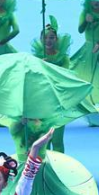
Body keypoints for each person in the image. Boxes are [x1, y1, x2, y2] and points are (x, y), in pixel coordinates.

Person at [31, 16, 71, 153]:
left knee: (57, 140)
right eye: (45, 37)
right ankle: (44, 164)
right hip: (42, 103)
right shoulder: (36, 58)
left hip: (58, 103)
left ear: (56, 39)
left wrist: (48, 67)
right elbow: (33, 79)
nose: (48, 40)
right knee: (43, 140)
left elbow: (65, 77)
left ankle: (59, 164)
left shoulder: (63, 58)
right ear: (41, 39)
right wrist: (39, 66)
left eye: (52, 37)